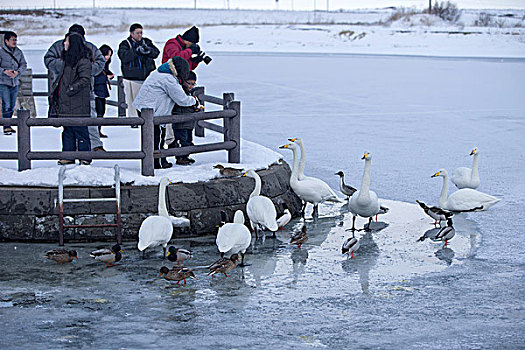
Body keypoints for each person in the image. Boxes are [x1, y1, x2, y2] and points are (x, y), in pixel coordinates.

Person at [44, 24, 106, 151]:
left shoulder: (90, 47)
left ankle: (95, 145)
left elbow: (100, 62)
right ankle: (70, 151)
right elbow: (48, 59)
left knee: (89, 119)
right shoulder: (58, 46)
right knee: (67, 125)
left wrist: (85, 70)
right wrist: (65, 67)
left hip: (85, 91)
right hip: (64, 91)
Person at [133, 56, 200, 170]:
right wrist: (194, 100)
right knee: (157, 137)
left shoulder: (159, 73)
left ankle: (159, 160)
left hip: (146, 109)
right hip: (152, 111)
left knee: (154, 137)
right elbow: (181, 99)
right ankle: (157, 162)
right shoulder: (168, 79)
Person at [50, 33, 92, 165]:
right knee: (67, 130)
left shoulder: (83, 60)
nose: (64, 44)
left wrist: (70, 89)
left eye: (67, 42)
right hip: (66, 102)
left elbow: (85, 79)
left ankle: (85, 156)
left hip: (77, 102)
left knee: (80, 130)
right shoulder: (67, 60)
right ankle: (68, 155)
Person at [117, 23, 160, 125]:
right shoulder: (125, 44)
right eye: (137, 33)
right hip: (131, 78)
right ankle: (134, 121)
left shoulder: (147, 42)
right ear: (132, 34)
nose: (140, 35)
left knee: (147, 101)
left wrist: (148, 50)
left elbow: (156, 53)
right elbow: (124, 57)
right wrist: (136, 51)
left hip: (147, 77)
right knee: (132, 102)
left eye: (141, 32)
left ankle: (147, 120)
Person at [165, 71, 201, 166]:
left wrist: (195, 108)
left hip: (189, 122)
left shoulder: (190, 93)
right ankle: (180, 157)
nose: (191, 86)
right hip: (180, 122)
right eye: (189, 83)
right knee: (182, 140)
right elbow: (181, 103)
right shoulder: (179, 92)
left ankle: (185, 156)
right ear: (183, 81)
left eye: (193, 84)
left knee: (188, 140)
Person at [0, 31, 27, 135]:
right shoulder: (1, 52)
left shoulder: (19, 52)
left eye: (16, 40)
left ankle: (9, 124)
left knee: (11, 105)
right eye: (12, 40)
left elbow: (23, 64)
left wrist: (18, 72)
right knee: (6, 104)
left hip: (14, 82)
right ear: (6, 41)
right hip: (3, 82)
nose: (15, 42)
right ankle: (6, 126)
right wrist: (4, 71)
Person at [94, 44, 114, 138]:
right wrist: (105, 77)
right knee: (97, 112)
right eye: (107, 55)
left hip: (102, 91)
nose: (107, 57)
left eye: (109, 56)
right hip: (97, 92)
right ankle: (95, 132)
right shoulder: (95, 64)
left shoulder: (103, 65)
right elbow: (94, 78)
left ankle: (98, 131)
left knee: (101, 112)